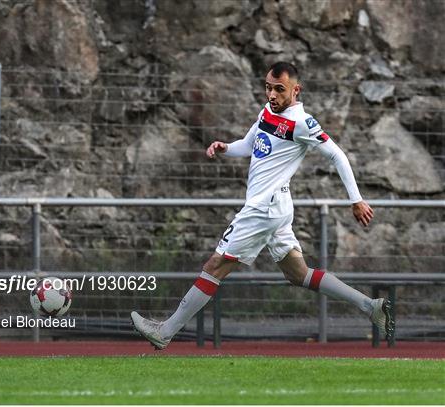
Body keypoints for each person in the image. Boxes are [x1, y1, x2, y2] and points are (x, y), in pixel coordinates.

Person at [131, 61, 394, 350]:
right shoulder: (268, 111)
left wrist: (356, 200)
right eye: (268, 87)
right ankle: (371, 306)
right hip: (275, 207)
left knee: (215, 265)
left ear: (296, 90)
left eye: (279, 89)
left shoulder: (302, 123)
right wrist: (226, 148)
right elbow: (251, 144)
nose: (271, 94)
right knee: (299, 274)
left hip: (263, 208)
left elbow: (337, 156)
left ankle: (165, 331)